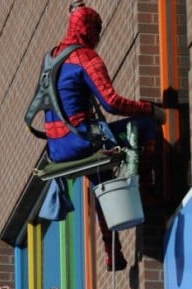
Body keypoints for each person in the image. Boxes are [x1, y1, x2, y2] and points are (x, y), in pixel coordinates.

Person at [36, 1, 166, 271]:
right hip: (82, 138)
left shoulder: (51, 59)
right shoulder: (85, 57)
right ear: (89, 30)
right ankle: (147, 192)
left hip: (58, 148)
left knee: (100, 178)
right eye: (97, 31)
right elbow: (111, 102)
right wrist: (150, 110)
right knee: (145, 127)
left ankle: (112, 253)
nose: (98, 38)